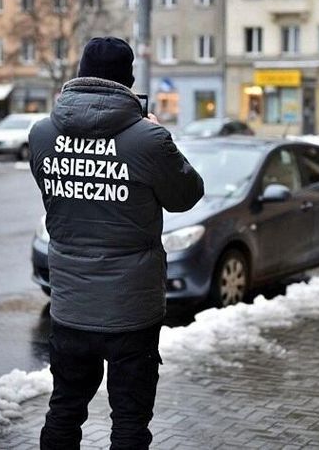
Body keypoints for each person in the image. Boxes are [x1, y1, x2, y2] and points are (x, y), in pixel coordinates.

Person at [28, 37, 204, 449]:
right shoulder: (148, 140)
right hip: (132, 310)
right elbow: (187, 195)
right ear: (128, 82)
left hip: (70, 304)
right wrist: (163, 140)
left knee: (65, 410)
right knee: (129, 421)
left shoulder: (41, 135)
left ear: (80, 74)